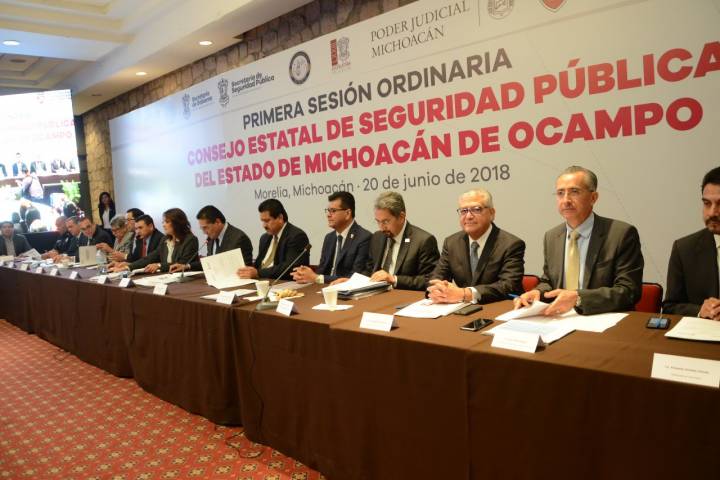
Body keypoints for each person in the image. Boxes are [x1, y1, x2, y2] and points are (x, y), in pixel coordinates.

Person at [514, 166, 644, 315]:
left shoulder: (620, 234)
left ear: (593, 197)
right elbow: (549, 281)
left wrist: (579, 298)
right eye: (560, 193)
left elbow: (629, 291)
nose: (566, 200)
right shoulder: (552, 236)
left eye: (574, 192)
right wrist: (538, 292)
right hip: (561, 318)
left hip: (603, 318)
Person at [427, 189, 525, 304]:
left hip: (498, 307)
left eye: (476, 209)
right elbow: (437, 276)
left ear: (492, 213)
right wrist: (437, 288)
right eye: (464, 211)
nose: (468, 216)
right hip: (462, 308)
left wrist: (466, 293)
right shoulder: (451, 242)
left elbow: (508, 286)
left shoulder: (511, 244)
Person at [663, 167, 720, 319]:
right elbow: (670, 307)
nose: (712, 213)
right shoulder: (684, 249)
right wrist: (700, 311)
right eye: (707, 203)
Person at [355, 191, 439, 291]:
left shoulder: (423, 241)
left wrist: (394, 279)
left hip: (405, 296)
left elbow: (430, 280)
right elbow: (370, 271)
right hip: (377, 296)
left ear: (401, 217)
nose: (381, 228)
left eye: (386, 221)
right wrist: (353, 282)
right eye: (378, 222)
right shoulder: (377, 237)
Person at [292, 191, 371, 284]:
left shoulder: (364, 238)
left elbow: (354, 277)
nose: (328, 215)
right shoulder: (329, 238)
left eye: (333, 211)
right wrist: (305, 276)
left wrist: (318, 278)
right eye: (328, 211)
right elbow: (321, 270)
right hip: (324, 288)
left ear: (348, 213)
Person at [236, 199, 309, 280]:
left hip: (282, 282)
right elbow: (258, 265)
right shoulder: (264, 238)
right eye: (262, 221)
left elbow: (290, 267)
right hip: (260, 281)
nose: (264, 226)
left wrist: (258, 273)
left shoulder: (296, 236)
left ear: (280, 218)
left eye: (267, 221)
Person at [114, 208, 198, 273]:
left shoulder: (190, 240)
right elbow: (150, 257)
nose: (163, 225)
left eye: (167, 222)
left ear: (177, 223)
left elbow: (181, 264)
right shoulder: (165, 239)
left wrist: (159, 265)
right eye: (163, 222)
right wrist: (128, 267)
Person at [173, 205, 253, 272]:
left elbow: (245, 270)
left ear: (217, 222)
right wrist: (187, 266)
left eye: (205, 228)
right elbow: (210, 262)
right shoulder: (211, 238)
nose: (204, 232)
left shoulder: (239, 238)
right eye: (202, 229)